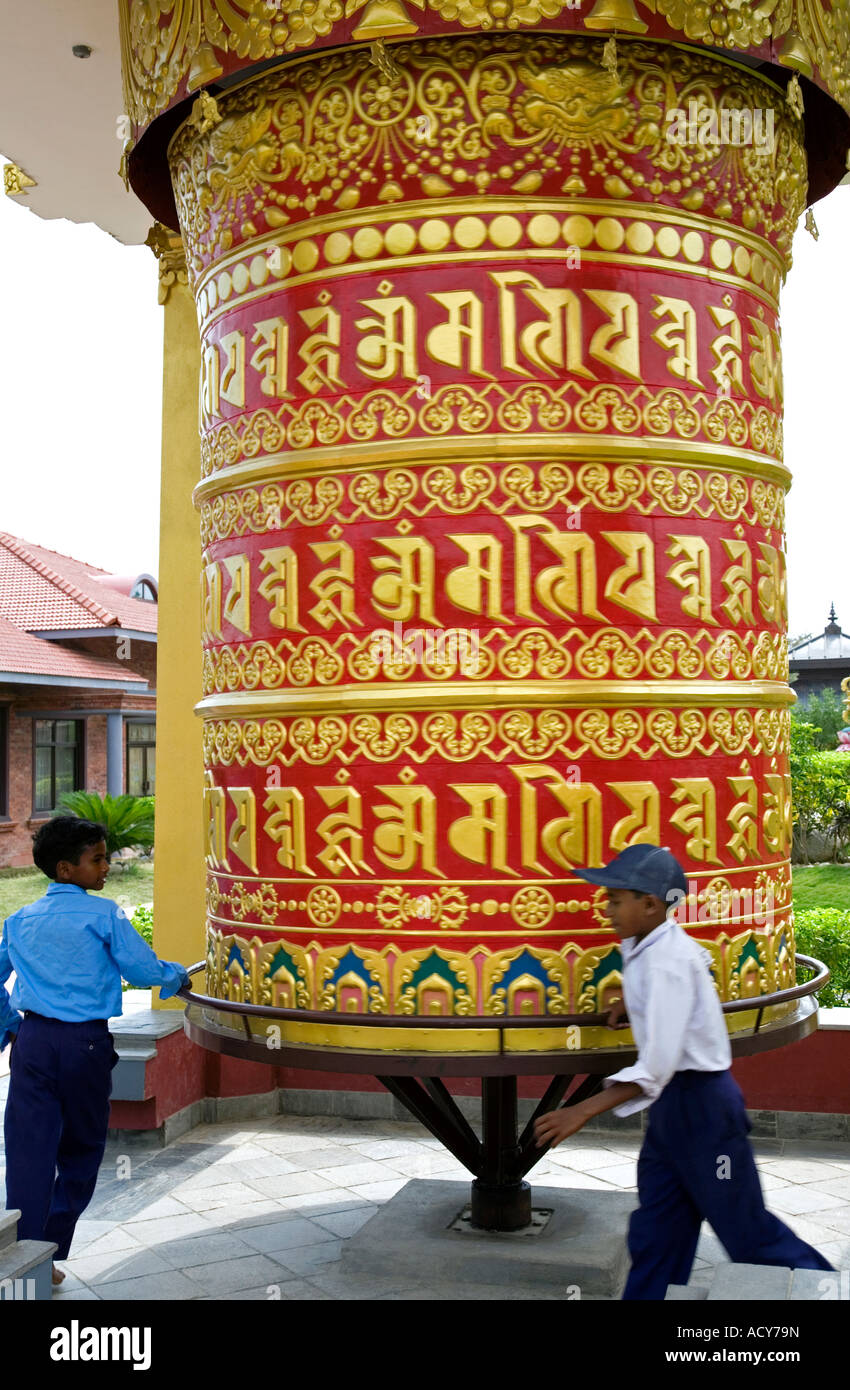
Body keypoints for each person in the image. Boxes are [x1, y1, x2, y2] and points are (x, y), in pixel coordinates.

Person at [533, 843, 833, 1300]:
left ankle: (827, 1289)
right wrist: (634, 1006)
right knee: (658, 1231)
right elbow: (678, 1004)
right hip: (675, 1113)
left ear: (650, 904)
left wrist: (582, 1110)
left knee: (746, 1231)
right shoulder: (649, 946)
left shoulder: (667, 963)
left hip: (705, 1113)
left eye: (616, 900)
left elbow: (656, 1067)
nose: (607, 909)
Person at [0, 816, 191, 1287]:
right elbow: (142, 969)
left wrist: (9, 1027)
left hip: (33, 1043)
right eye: (98, 859)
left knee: (28, 1150)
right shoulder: (104, 914)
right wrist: (177, 977)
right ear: (66, 868)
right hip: (84, 1044)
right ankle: (48, 1249)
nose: (107, 866)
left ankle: (27, 1262)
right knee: (83, 1150)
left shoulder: (19, 920)